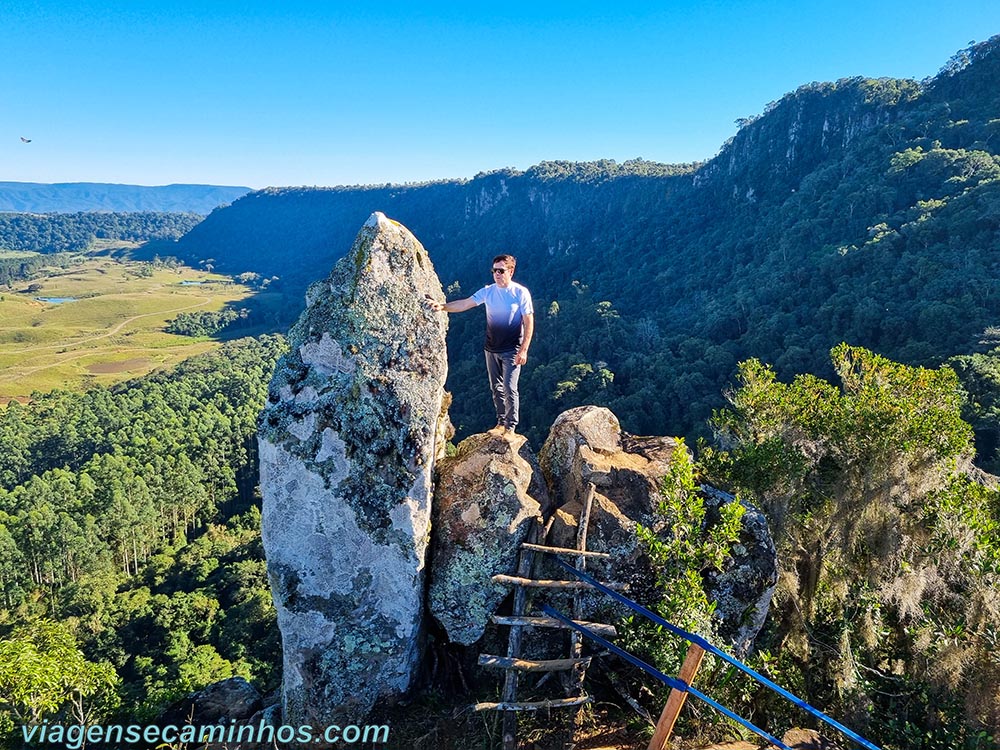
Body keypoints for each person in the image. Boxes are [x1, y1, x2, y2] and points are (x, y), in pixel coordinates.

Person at [427, 254, 534, 435]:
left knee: (509, 387)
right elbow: (465, 303)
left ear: (511, 271)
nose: (497, 274)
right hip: (491, 348)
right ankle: (501, 422)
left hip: (512, 349)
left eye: (501, 271)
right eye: (494, 271)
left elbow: (529, 322)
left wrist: (524, 350)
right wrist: (442, 307)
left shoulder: (520, 293)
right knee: (496, 387)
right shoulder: (488, 291)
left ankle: (510, 427)